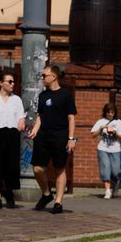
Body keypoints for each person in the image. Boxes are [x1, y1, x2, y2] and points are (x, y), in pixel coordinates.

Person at [26, 64, 77, 214]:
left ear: (53, 77)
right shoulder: (42, 95)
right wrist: (35, 130)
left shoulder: (66, 95)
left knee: (59, 168)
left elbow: (71, 118)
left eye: (44, 76)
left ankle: (58, 202)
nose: (42, 78)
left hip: (60, 135)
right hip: (43, 135)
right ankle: (47, 194)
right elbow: (40, 116)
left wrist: (71, 138)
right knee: (37, 168)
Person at [0, 70, 25, 209]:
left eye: (13, 81)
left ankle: (8, 192)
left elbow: (21, 117)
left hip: (11, 133)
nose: (12, 84)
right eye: (9, 81)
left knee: (11, 165)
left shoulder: (17, 100)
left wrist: (21, 123)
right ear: (1, 83)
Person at [89, 103, 121, 199]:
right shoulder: (101, 121)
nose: (110, 114)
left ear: (114, 113)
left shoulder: (118, 122)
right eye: (108, 112)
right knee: (105, 169)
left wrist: (115, 133)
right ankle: (107, 191)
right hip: (103, 148)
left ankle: (115, 187)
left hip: (116, 149)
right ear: (105, 113)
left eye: (112, 112)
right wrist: (101, 129)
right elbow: (93, 134)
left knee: (116, 171)